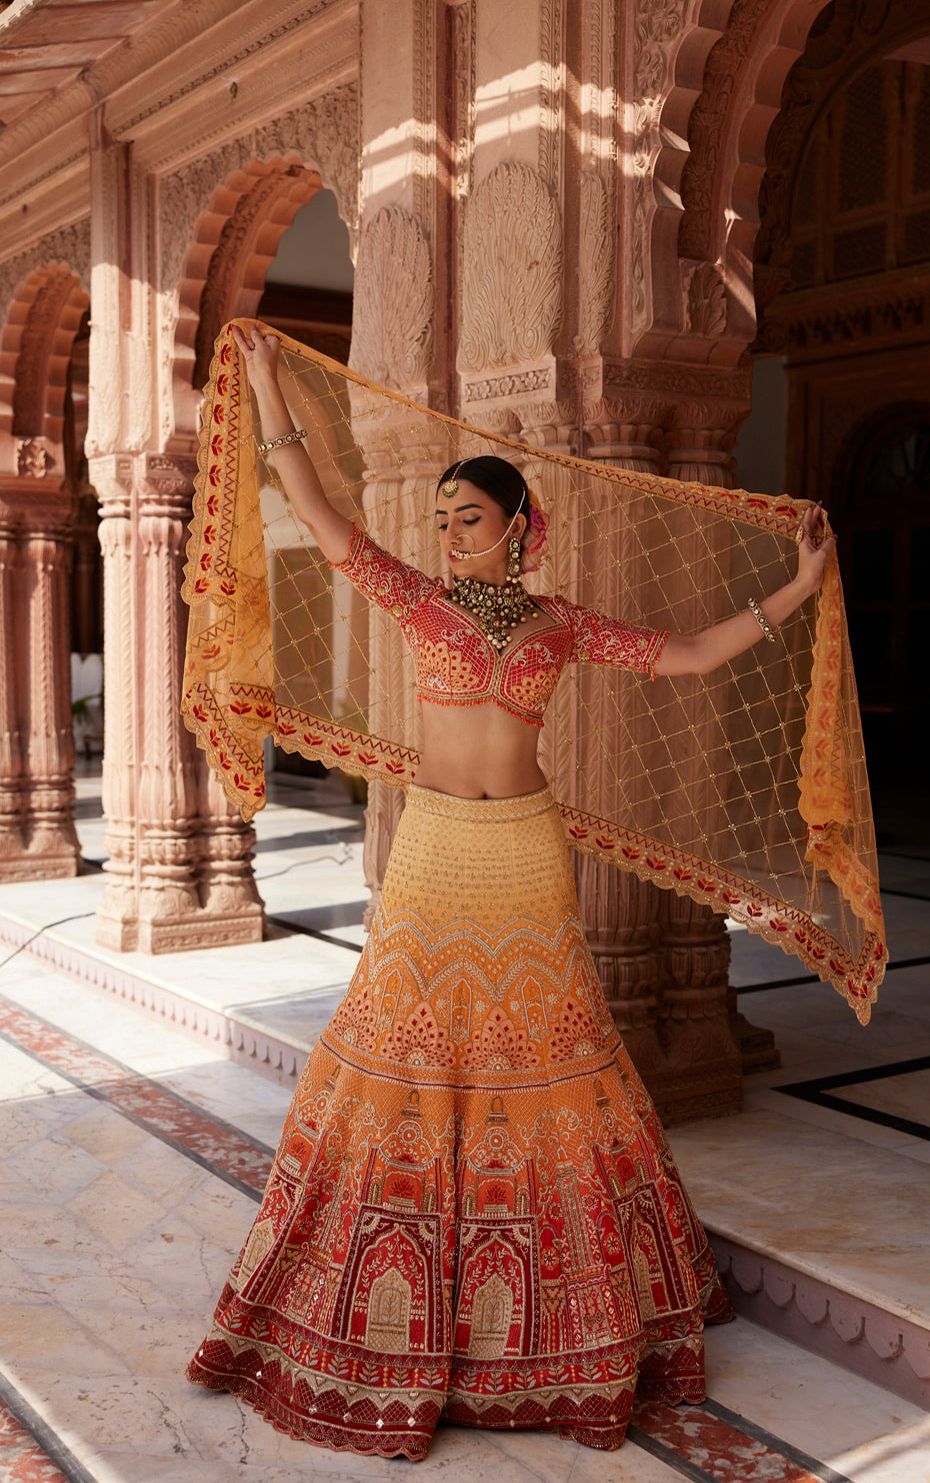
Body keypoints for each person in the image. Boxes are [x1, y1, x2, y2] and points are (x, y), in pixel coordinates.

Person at [186, 323, 835, 1461]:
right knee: (411, 1052)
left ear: (517, 528)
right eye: (439, 519)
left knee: (544, 1057)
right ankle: (391, 1295)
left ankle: (558, 1319)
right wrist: (268, 387)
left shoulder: (562, 623)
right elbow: (327, 517)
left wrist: (797, 586)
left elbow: (685, 656)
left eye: (467, 517)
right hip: (435, 847)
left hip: (528, 850)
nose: (446, 534)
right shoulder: (413, 598)